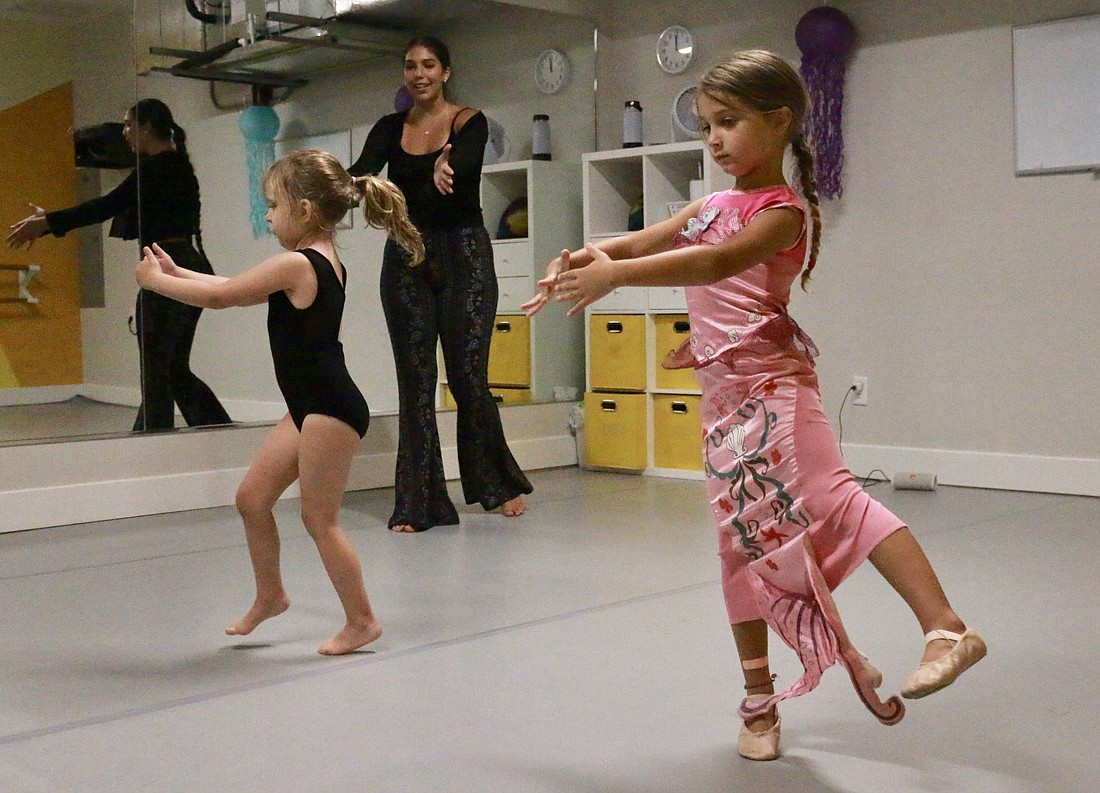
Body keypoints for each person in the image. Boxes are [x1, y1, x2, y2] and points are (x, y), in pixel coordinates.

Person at [524, 50, 986, 760]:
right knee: (738, 544)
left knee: (836, 499)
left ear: (779, 122)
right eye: (707, 124)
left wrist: (618, 275)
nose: (714, 138)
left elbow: (713, 262)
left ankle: (946, 627)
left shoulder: (781, 213)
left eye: (729, 122)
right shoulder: (711, 205)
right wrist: (583, 260)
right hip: (725, 406)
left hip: (777, 392)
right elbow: (634, 242)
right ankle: (758, 702)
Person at [135, 148, 424, 655]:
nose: (268, 216)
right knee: (252, 499)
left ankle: (361, 621)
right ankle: (271, 596)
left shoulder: (298, 263)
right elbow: (231, 287)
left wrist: (155, 283)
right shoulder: (313, 261)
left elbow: (223, 298)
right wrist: (177, 272)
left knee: (320, 520)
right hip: (309, 405)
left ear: (305, 210)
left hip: (329, 407)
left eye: (273, 205)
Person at [347, 35, 533, 533]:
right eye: (411, 66)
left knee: (468, 377)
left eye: (429, 65)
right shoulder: (389, 128)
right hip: (406, 255)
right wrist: (320, 183)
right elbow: (359, 175)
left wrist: (445, 167)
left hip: (464, 256)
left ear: (445, 72)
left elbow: (464, 166)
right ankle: (420, 503)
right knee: (415, 382)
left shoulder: (469, 122)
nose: (419, 74)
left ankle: (497, 485)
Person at [7, 98, 231, 432]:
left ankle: (153, 437)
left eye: (128, 124)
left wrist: (49, 222)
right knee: (171, 369)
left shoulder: (157, 167)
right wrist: (50, 221)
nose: (124, 132)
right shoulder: (175, 165)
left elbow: (106, 205)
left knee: (157, 370)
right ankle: (216, 429)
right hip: (184, 266)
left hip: (168, 270)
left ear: (147, 128)